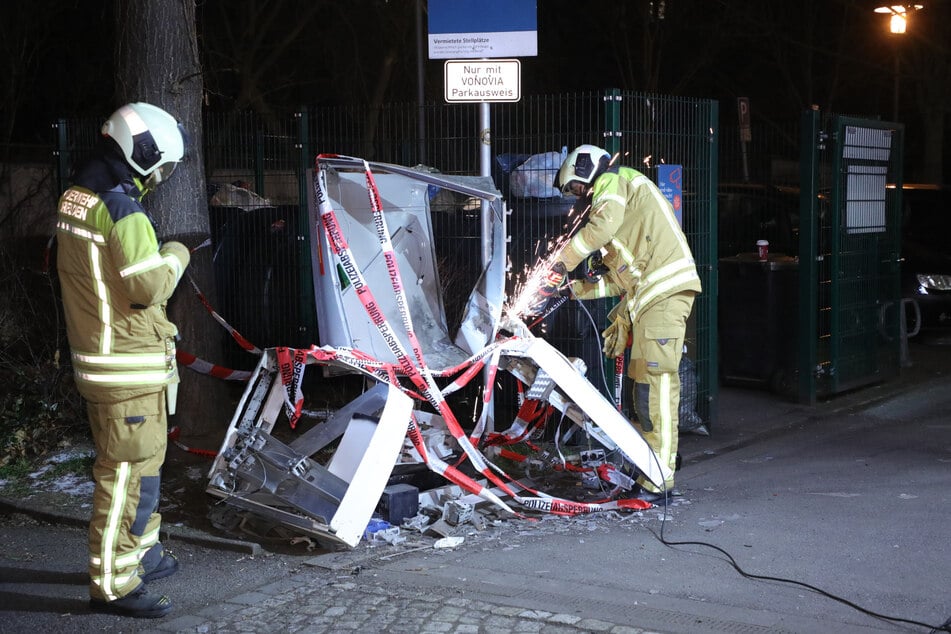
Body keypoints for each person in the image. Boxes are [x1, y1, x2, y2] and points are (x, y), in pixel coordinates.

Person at [56, 102, 190, 618]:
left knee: (143, 470)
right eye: (162, 166)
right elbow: (147, 286)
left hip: (104, 362)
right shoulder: (123, 210)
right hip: (127, 369)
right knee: (126, 480)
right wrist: (179, 252)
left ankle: (145, 554)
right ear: (143, 155)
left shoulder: (78, 196)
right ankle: (114, 584)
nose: (161, 177)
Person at [534, 144, 702, 504]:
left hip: (664, 294)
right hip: (648, 299)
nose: (579, 199)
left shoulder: (612, 180)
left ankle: (660, 478)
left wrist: (559, 264)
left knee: (655, 388)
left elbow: (600, 227)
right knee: (643, 390)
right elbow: (618, 281)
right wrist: (573, 288)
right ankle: (651, 463)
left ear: (586, 170)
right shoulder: (619, 218)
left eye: (577, 189)